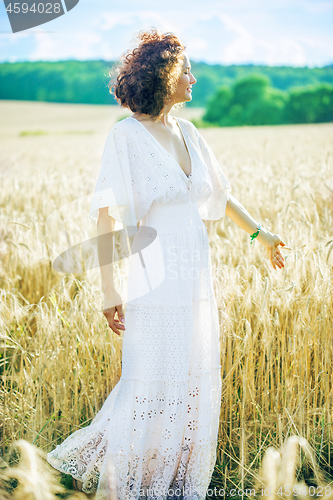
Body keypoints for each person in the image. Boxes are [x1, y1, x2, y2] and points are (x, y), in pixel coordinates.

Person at [47, 29, 286, 499]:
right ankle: (126, 482)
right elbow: (104, 214)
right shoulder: (126, 136)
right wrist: (109, 290)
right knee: (149, 377)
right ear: (165, 74)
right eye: (186, 70)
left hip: (194, 277)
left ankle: (173, 478)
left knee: (191, 373)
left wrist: (262, 235)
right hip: (152, 277)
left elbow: (221, 195)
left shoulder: (189, 133)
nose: (194, 78)